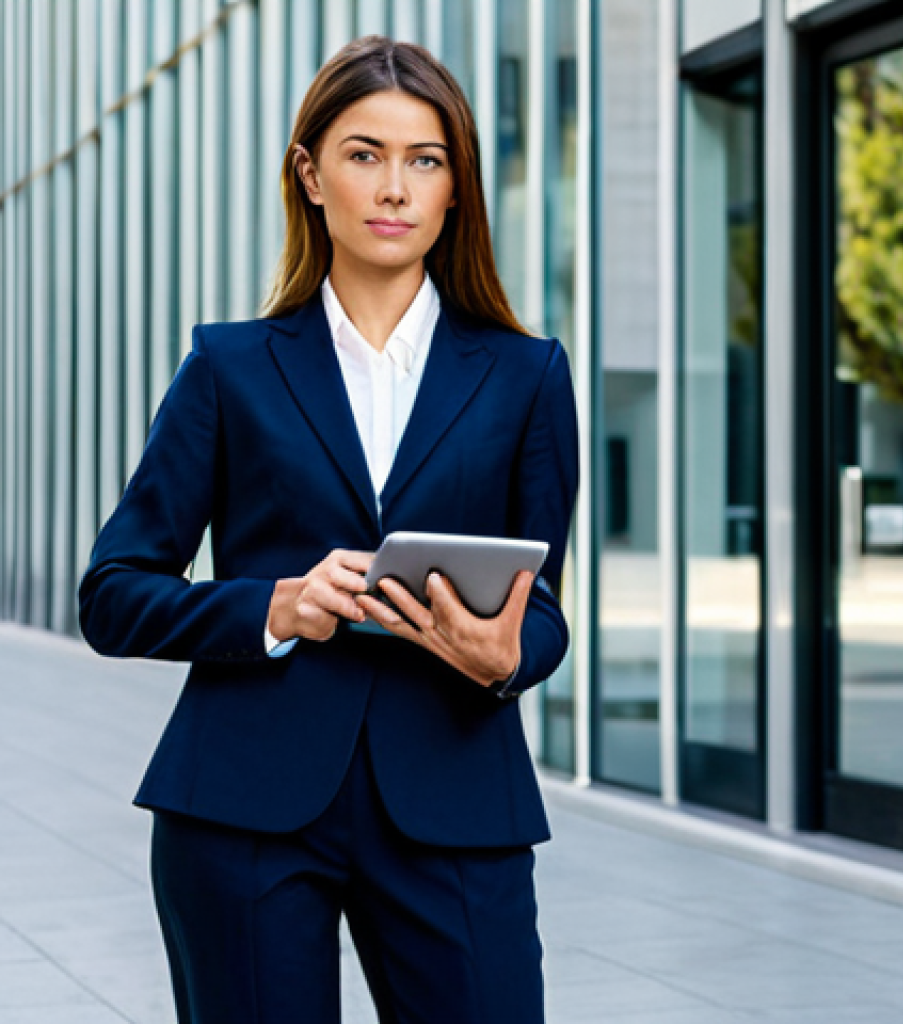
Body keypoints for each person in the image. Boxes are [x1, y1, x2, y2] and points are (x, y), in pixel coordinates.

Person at [77, 34, 578, 1024]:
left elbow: (544, 607)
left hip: (455, 794)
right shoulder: (228, 368)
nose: (394, 186)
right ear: (310, 174)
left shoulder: (526, 376)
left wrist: (505, 654)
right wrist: (276, 605)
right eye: (363, 153)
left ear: (453, 188)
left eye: (424, 160)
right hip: (242, 803)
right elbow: (113, 592)